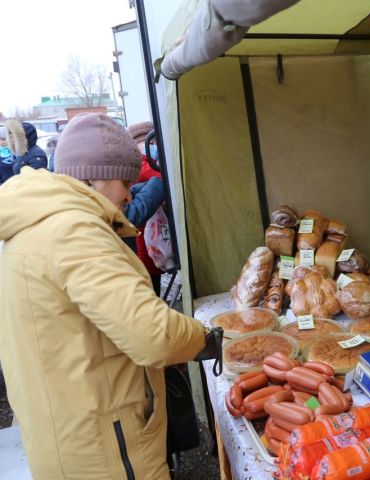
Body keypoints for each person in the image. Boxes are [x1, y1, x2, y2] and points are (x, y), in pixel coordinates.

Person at [0, 113, 220, 479]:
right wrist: (206, 340)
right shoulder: (74, 231)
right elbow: (154, 335)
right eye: (125, 181)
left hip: (62, 433)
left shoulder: (28, 226)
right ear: (93, 176)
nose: (129, 195)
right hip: (106, 448)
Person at [127, 121, 165, 295]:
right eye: (152, 144)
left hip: (150, 239)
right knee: (150, 284)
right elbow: (161, 179)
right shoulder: (141, 166)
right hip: (145, 241)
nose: (155, 147)